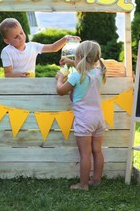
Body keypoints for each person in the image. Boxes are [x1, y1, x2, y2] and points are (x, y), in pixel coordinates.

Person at [55, 40, 107, 190]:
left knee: (85, 153)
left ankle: (83, 184)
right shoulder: (98, 72)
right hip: (98, 119)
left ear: (79, 57)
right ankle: (96, 180)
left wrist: (59, 78)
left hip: (84, 120)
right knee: (97, 150)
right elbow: (86, 66)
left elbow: (60, 91)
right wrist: (71, 61)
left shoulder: (76, 76)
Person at [0, 18, 80, 77]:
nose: (21, 37)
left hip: (31, 85)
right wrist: (20, 74)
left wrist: (65, 39)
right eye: (16, 37)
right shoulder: (7, 51)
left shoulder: (33, 46)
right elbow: (8, 74)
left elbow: (53, 48)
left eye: (21, 33)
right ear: (7, 41)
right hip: (14, 87)